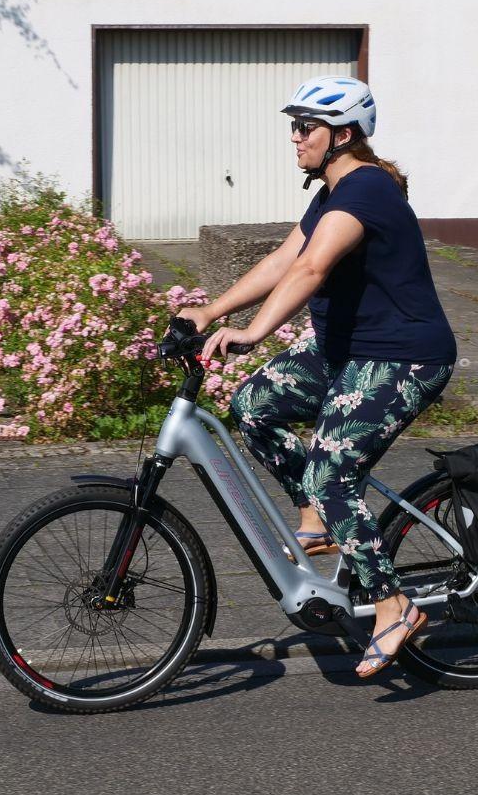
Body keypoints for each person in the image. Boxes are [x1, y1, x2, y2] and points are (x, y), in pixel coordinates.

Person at [181, 76, 458, 678]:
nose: (295, 136)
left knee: (335, 469)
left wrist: (253, 332)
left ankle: (394, 604)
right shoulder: (332, 191)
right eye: (295, 125)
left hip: (402, 356)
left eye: (306, 126)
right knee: (254, 406)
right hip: (347, 351)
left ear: (344, 134)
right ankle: (319, 518)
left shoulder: (367, 191)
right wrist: (210, 311)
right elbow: (282, 259)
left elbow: (311, 267)